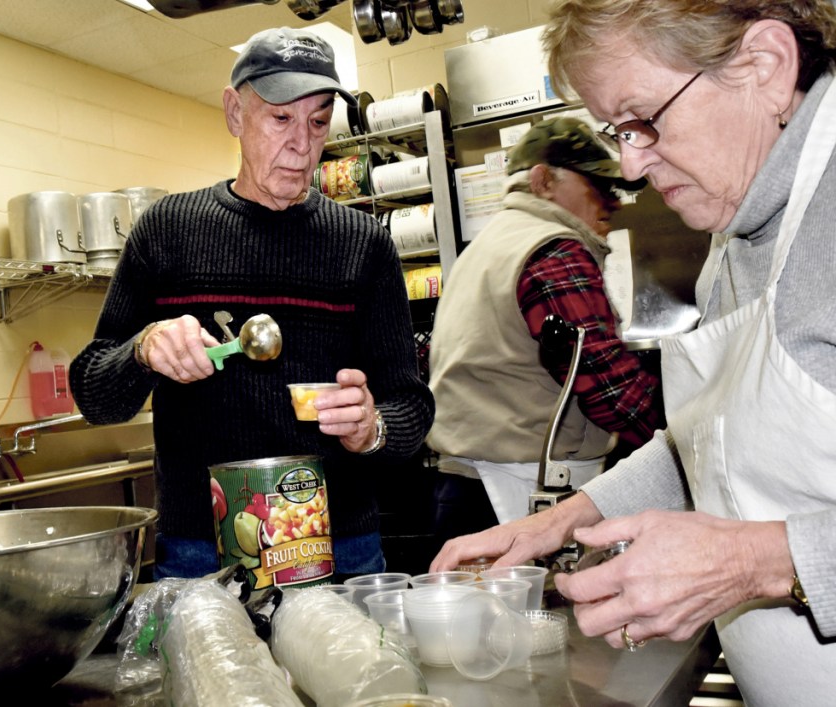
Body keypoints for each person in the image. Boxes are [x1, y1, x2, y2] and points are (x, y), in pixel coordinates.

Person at [431, 1, 836, 702]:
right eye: (617, 131)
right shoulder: (735, 233)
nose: (632, 165)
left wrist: (763, 560)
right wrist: (566, 518)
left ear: (765, 67)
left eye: (645, 119)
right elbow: (706, 441)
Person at [69, 27, 434, 581]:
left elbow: (410, 403)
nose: (302, 144)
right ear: (235, 114)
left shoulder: (364, 244)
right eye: (280, 118)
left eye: (317, 121)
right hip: (202, 549)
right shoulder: (168, 231)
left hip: (340, 543)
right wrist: (143, 349)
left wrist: (372, 428)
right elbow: (95, 394)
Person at [426, 116, 663, 543]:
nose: (612, 202)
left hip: (463, 488)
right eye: (597, 185)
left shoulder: (484, 248)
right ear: (542, 181)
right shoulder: (554, 251)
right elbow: (613, 394)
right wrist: (686, 445)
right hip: (519, 496)